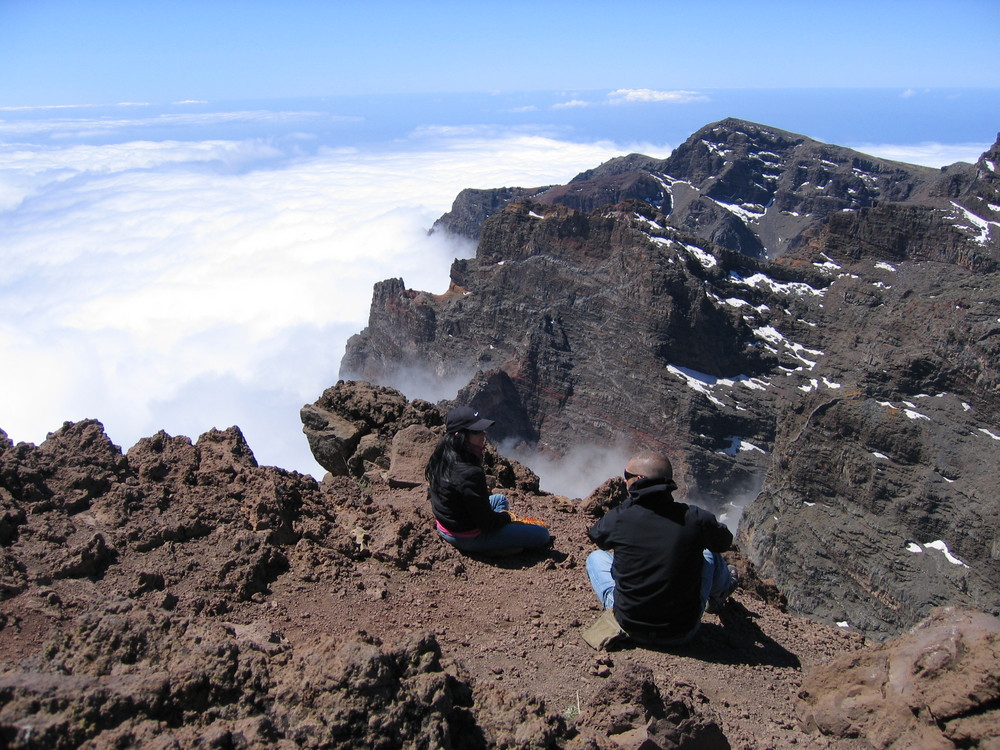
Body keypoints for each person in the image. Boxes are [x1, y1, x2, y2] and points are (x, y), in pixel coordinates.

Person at [585, 450, 736, 646]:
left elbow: (598, 537)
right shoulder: (696, 519)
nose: (624, 481)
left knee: (595, 557)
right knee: (708, 552)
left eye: (627, 476)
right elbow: (723, 542)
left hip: (630, 625)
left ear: (639, 480)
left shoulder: (620, 517)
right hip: (681, 631)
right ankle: (720, 593)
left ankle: (620, 606)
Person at [426, 406, 551, 556]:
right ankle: (496, 548)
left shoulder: (441, 456)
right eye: (477, 431)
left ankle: (503, 539)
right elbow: (487, 524)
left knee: (500, 500)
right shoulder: (470, 473)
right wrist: (507, 518)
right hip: (465, 536)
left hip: (446, 524)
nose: (484, 434)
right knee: (542, 534)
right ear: (460, 435)